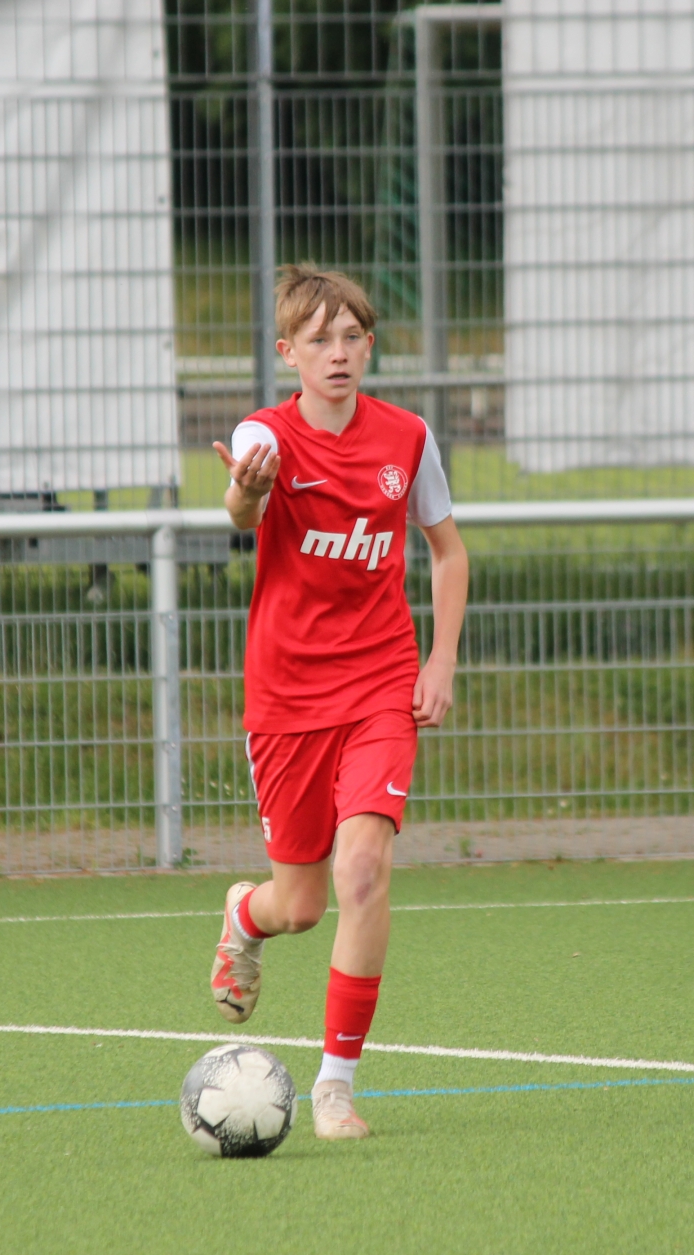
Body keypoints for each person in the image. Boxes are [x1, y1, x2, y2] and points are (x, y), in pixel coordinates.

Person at [208, 263, 469, 1141]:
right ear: (289, 353)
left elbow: (448, 551)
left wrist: (440, 660)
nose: (339, 353)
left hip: (380, 684)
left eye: (352, 336)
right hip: (286, 697)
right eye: (319, 340)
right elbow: (242, 509)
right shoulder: (266, 434)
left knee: (362, 872)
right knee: (301, 906)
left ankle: (334, 1087)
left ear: (370, 345)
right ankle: (245, 915)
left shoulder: (407, 438)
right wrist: (247, 488)